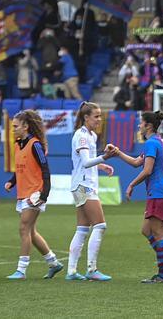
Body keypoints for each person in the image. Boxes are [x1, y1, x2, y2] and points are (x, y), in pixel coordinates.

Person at [104, 111, 163, 283]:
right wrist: (118, 153)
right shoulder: (158, 141)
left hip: (160, 192)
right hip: (161, 192)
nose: (139, 125)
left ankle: (162, 274)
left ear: (148, 126)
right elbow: (138, 163)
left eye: (141, 123)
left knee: (158, 233)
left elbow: (147, 170)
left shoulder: (152, 143)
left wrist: (131, 184)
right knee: (146, 230)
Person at [3, 110, 62, 280]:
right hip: (23, 194)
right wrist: (11, 181)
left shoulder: (35, 145)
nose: (12, 129)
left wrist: (44, 194)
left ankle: (21, 270)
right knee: (31, 232)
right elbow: (21, 168)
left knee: (23, 229)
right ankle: (53, 263)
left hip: (34, 194)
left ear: (26, 126)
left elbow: (45, 170)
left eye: (15, 126)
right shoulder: (17, 144)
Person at [64, 102, 114, 281]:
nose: (99, 120)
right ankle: (92, 269)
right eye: (96, 116)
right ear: (86, 118)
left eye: (100, 116)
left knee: (83, 229)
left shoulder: (90, 135)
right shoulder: (82, 136)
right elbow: (85, 162)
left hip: (80, 185)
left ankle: (71, 271)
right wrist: (104, 157)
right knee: (100, 226)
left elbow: (83, 162)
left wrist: (101, 165)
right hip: (84, 186)